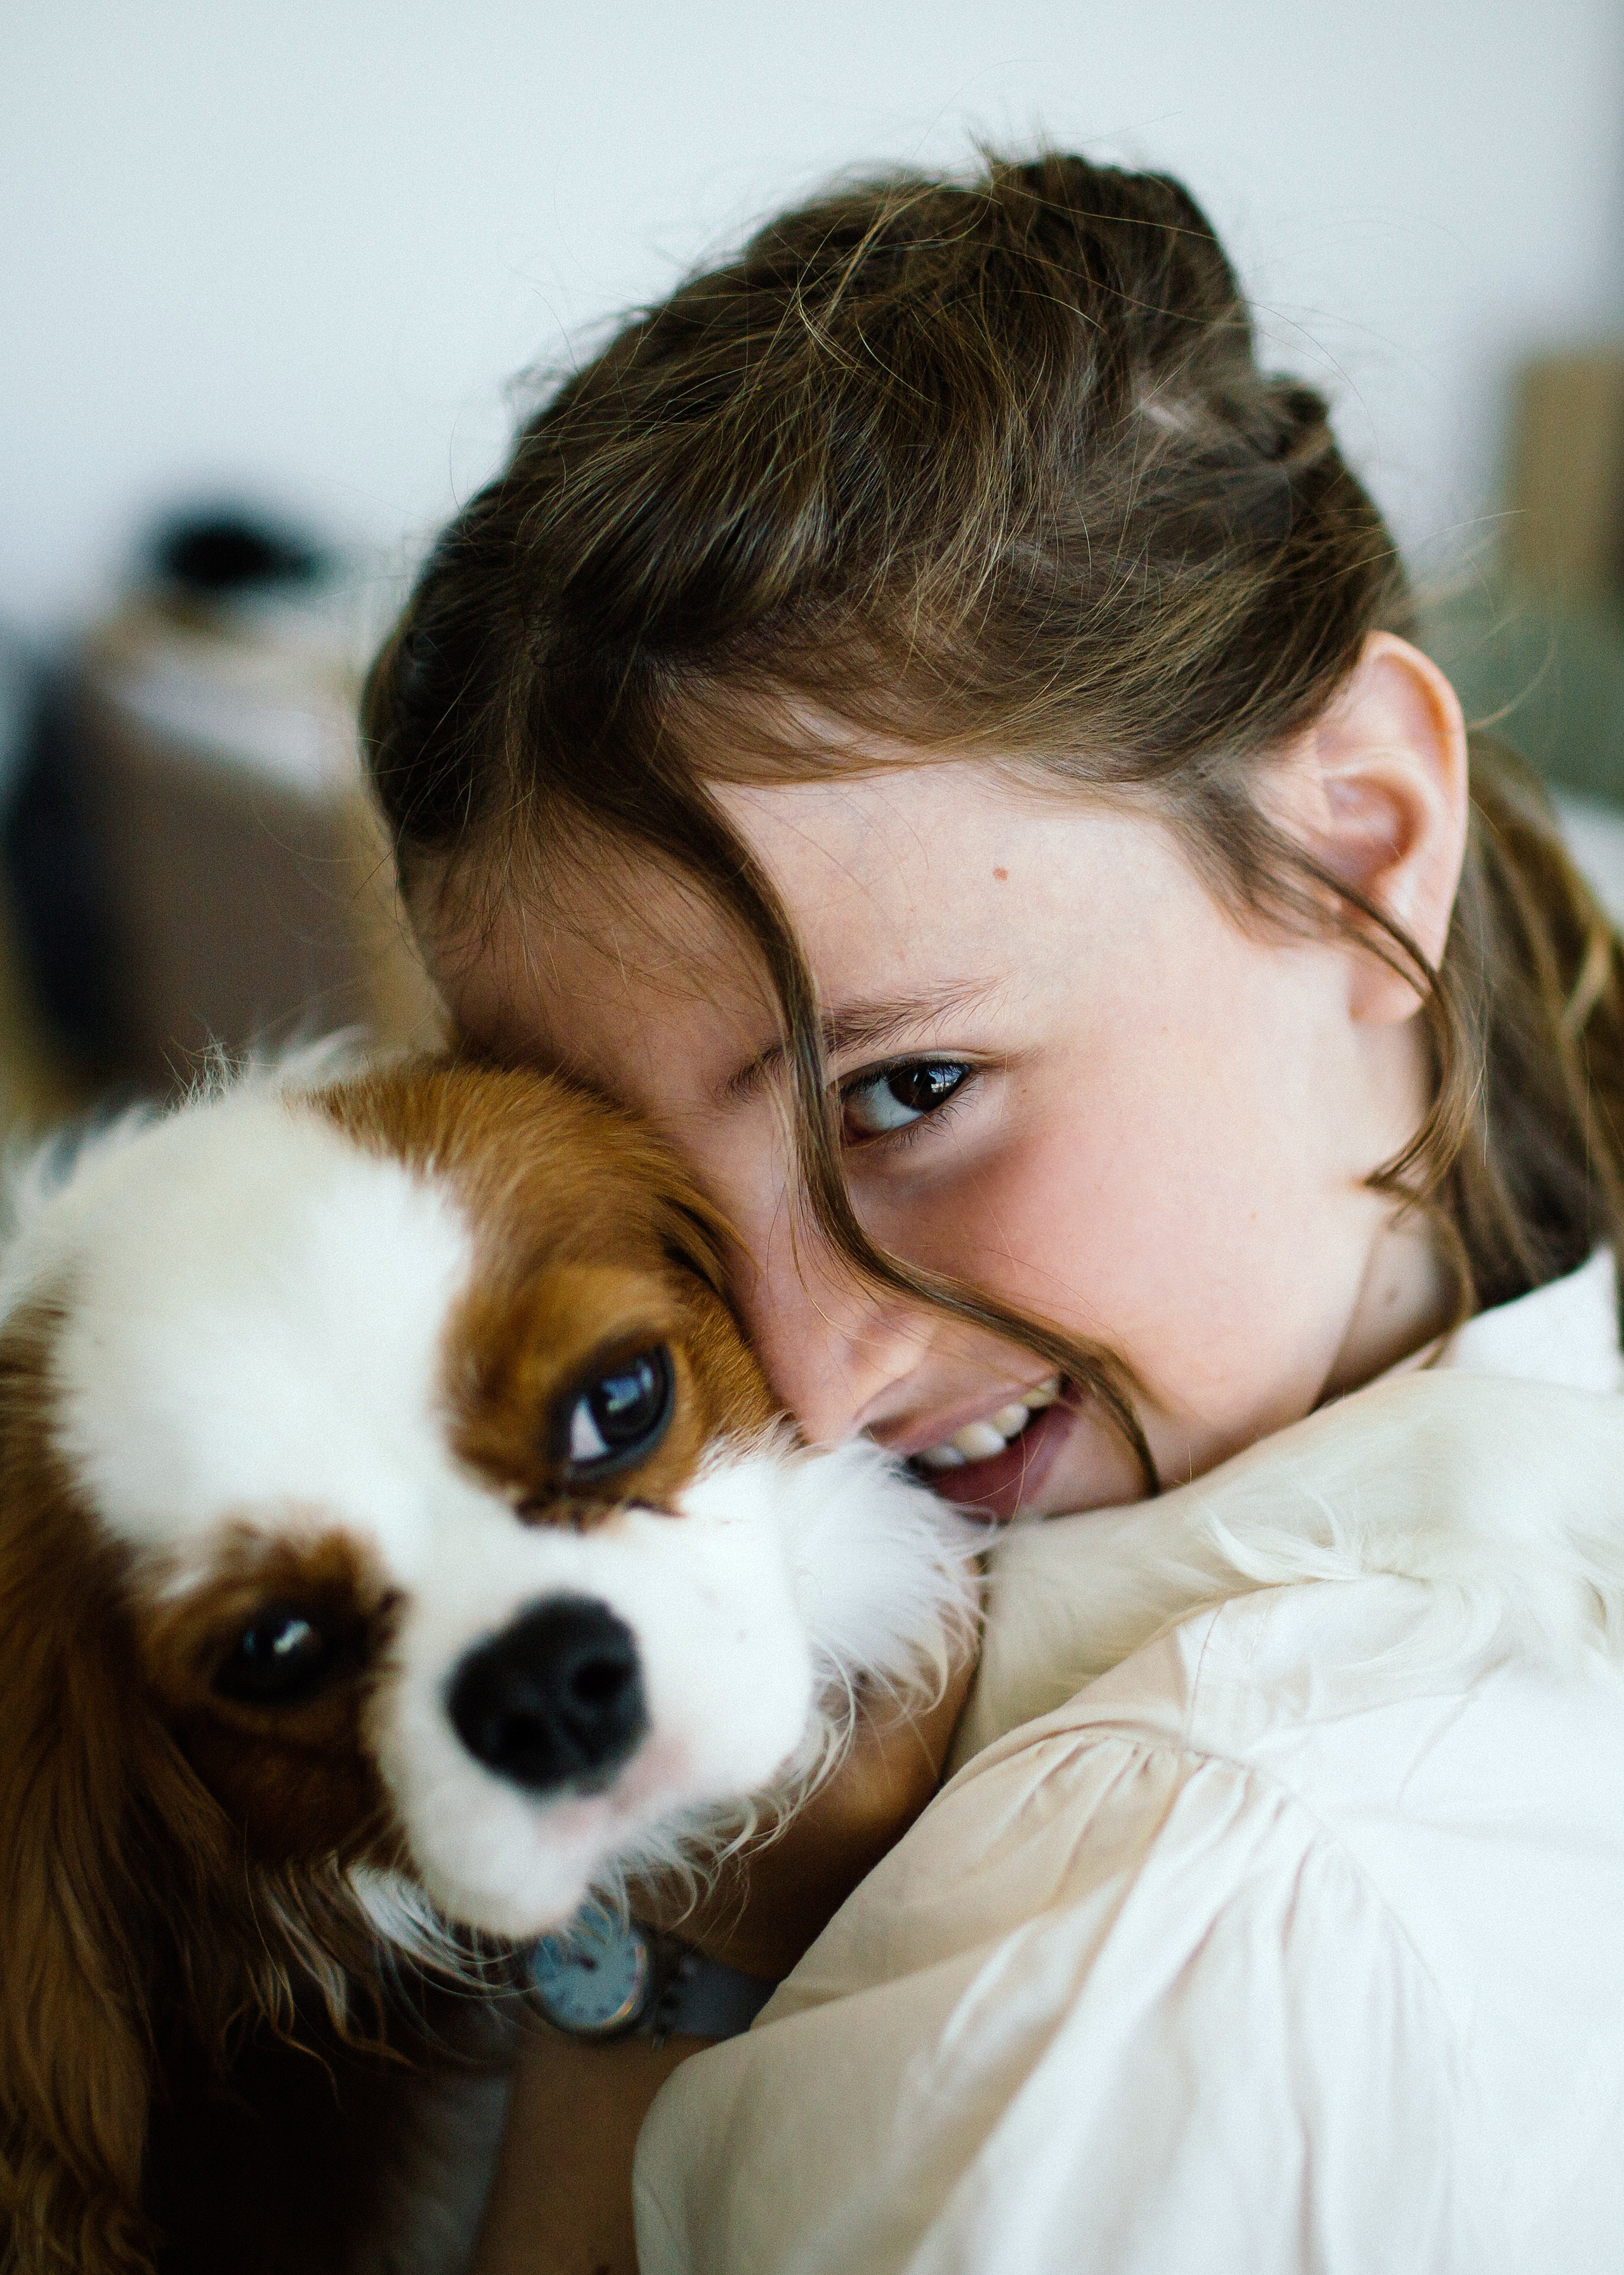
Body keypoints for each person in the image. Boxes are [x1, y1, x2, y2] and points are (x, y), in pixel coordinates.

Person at [361, 154, 1624, 2272]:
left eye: (910, 1093)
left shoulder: (1166, 1920)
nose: (804, 1380)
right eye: (654, 1200)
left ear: (1361, 838)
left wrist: (668, 1977)